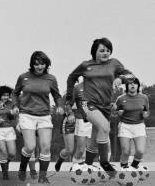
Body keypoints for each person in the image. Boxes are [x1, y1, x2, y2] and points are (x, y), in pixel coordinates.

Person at [66, 38, 134, 174]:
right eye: (102, 50)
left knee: (96, 135)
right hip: (88, 104)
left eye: (108, 50)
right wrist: (69, 98)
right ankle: (104, 163)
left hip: (106, 106)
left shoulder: (114, 63)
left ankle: (88, 165)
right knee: (105, 127)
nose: (106, 53)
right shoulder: (85, 65)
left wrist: (120, 79)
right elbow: (71, 77)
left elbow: (131, 76)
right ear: (94, 52)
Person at [12, 51, 64, 183]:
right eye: (36, 64)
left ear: (46, 64)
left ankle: (42, 177)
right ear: (32, 65)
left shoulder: (51, 79)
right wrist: (15, 105)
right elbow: (15, 93)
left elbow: (57, 96)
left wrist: (59, 105)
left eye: (42, 64)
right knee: (30, 146)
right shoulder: (24, 77)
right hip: (26, 115)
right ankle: (23, 168)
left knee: (46, 146)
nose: (39, 67)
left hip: (44, 115)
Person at [55, 80, 92, 170]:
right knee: (69, 150)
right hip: (70, 123)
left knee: (82, 148)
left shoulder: (85, 93)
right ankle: (60, 160)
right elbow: (63, 107)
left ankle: (76, 168)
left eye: (76, 82)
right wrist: (62, 110)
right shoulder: (66, 95)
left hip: (82, 121)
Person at [114, 77, 149, 169]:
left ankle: (133, 167)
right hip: (125, 126)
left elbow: (147, 112)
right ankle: (124, 170)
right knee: (126, 151)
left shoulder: (144, 98)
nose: (133, 85)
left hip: (139, 126)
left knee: (140, 151)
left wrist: (145, 115)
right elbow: (116, 112)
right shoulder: (121, 98)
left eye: (135, 83)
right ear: (127, 86)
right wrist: (119, 113)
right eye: (130, 83)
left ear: (138, 86)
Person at [0, 85, 16, 180]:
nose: (6, 97)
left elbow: (12, 117)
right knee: (3, 152)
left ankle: (5, 162)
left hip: (9, 129)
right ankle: (5, 174)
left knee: (12, 153)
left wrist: (13, 113)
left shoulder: (11, 104)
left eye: (7, 95)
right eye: (3, 95)